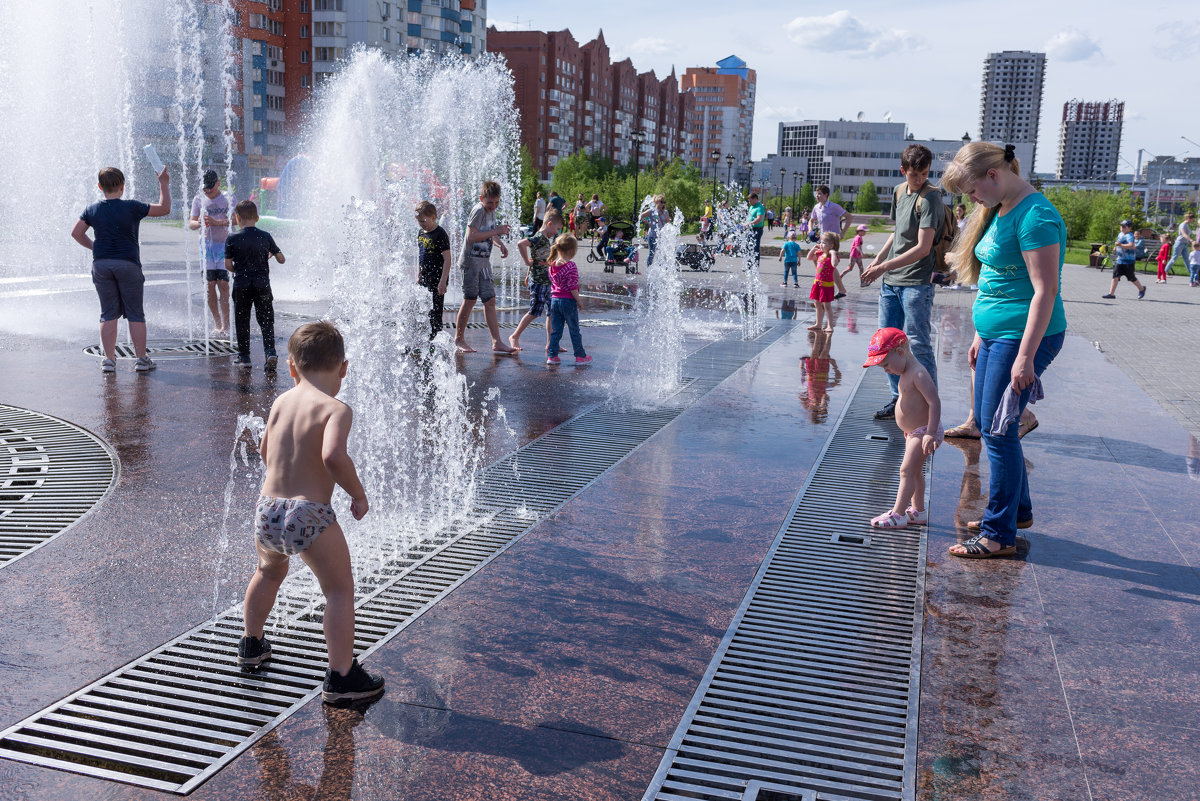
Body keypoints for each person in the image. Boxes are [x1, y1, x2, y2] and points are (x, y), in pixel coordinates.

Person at [238, 321, 386, 704]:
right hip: (310, 514)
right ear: (343, 368)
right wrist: (358, 494)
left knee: (267, 572)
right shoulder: (336, 408)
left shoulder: (281, 402)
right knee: (338, 590)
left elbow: (265, 451)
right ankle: (341, 676)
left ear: (291, 368)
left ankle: (252, 645)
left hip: (268, 509)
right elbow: (333, 456)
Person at [940, 141, 1068, 558]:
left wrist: (1026, 357)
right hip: (997, 335)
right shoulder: (1000, 210)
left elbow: (1044, 292)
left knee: (996, 433)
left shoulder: (1036, 216)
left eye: (973, 191)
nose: (972, 200)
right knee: (998, 426)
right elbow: (996, 277)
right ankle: (1018, 511)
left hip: (1024, 337)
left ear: (993, 176)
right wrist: (980, 333)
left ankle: (998, 535)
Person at [860, 144, 944, 420]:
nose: (919, 179)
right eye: (914, 174)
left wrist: (883, 265)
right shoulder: (898, 191)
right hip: (891, 281)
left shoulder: (931, 197)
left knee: (917, 342)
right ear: (903, 170)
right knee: (888, 342)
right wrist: (878, 261)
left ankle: (926, 402)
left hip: (917, 283)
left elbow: (923, 247)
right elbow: (896, 234)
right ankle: (898, 400)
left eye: (924, 174)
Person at [71, 166, 171, 373]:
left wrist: (95, 246)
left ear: (100, 187)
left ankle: (108, 360)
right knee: (135, 313)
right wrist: (163, 182)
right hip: (128, 264)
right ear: (123, 186)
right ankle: (141, 360)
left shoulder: (92, 209)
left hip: (101, 265)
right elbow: (164, 209)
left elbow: (76, 233)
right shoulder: (132, 207)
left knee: (108, 313)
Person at [863, 328, 941, 530]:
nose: (886, 370)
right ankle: (918, 511)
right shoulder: (905, 370)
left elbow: (934, 402)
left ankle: (898, 514)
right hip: (915, 431)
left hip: (924, 431)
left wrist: (931, 432)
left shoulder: (919, 373)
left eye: (886, 365)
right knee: (915, 473)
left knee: (906, 471)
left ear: (900, 352)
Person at [453, 181, 517, 354]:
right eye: (490, 202)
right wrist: (496, 231)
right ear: (481, 198)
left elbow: (489, 232)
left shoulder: (490, 211)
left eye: (496, 203)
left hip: (484, 263)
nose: (493, 206)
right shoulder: (478, 210)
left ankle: (497, 342)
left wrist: (500, 244)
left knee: (490, 300)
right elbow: (471, 236)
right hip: (470, 263)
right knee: (470, 300)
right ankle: (458, 339)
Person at [224, 200, 284, 370]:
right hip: (262, 285)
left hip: (242, 285)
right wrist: (271, 254)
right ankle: (270, 352)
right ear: (257, 218)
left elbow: (227, 265)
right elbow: (282, 259)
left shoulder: (232, 237)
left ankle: (244, 358)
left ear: (237, 218)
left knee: (242, 320)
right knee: (266, 320)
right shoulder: (265, 236)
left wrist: (240, 269)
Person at [189, 169, 234, 336]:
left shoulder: (228, 198)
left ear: (218, 183)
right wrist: (198, 222)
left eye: (211, 188)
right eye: (205, 188)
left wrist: (217, 222)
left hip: (224, 247)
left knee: (223, 284)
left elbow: (237, 219)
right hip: (206, 249)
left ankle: (227, 324)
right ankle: (217, 322)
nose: (207, 191)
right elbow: (191, 223)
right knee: (209, 286)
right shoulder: (198, 199)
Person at [509, 210, 561, 351]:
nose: (557, 232)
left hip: (547, 281)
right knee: (534, 312)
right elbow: (521, 244)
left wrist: (528, 273)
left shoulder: (546, 240)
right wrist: (526, 262)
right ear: (549, 224)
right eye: (557, 228)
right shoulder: (538, 238)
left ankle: (551, 342)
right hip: (538, 282)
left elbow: (537, 259)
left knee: (551, 312)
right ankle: (514, 336)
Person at [545, 234, 590, 365]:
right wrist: (579, 301)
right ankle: (580, 356)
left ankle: (552, 356)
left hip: (555, 301)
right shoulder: (571, 266)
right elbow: (572, 287)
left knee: (556, 330)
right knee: (574, 329)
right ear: (572, 251)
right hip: (568, 301)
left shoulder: (552, 265)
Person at [415, 200, 451, 340]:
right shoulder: (421, 233)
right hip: (424, 277)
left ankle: (435, 341)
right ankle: (423, 339)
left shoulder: (440, 234)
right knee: (422, 311)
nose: (421, 224)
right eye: (419, 221)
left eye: (423, 220)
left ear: (434, 217)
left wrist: (443, 281)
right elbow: (421, 255)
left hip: (437, 279)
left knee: (435, 312)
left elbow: (448, 259)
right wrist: (418, 275)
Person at [1101, 219, 1146, 299]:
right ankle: (1111, 294)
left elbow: (1131, 246)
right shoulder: (1120, 234)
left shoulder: (1130, 236)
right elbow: (1118, 243)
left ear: (1129, 228)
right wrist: (1116, 247)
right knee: (1115, 276)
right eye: (1121, 226)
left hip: (1129, 261)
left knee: (1131, 278)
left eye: (1124, 226)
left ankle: (1141, 289)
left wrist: (1120, 245)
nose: (1122, 228)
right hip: (1120, 260)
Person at [807, 232, 839, 332]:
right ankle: (818, 324)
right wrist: (813, 249)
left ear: (831, 245)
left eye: (824, 243)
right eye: (821, 242)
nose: (821, 244)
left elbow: (834, 264)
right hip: (817, 283)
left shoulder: (832, 256)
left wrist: (833, 253)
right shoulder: (820, 254)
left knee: (827, 306)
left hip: (827, 285)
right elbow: (809, 257)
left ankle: (830, 325)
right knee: (817, 304)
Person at [640, 195, 670, 267]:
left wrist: (664, 213)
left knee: (661, 253)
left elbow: (668, 222)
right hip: (652, 235)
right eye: (661, 202)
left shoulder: (665, 212)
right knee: (652, 253)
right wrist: (648, 223)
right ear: (656, 202)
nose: (663, 204)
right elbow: (641, 216)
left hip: (662, 236)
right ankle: (649, 268)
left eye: (664, 202)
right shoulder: (651, 211)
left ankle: (660, 269)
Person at [1164, 210, 1195, 276]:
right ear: (1189, 219)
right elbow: (1184, 234)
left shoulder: (1187, 225)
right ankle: (1165, 271)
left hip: (1184, 244)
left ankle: (1192, 274)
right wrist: (1191, 240)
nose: (1193, 221)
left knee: (1187, 259)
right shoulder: (1183, 225)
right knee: (1174, 258)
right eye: (1192, 219)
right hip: (1179, 243)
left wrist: (1188, 242)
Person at [746, 192, 766, 269]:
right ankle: (749, 265)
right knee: (747, 247)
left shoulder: (760, 207)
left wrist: (748, 224)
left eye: (750, 201)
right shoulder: (751, 207)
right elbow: (748, 218)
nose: (749, 202)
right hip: (750, 230)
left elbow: (759, 219)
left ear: (755, 199)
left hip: (757, 230)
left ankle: (755, 266)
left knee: (755, 249)